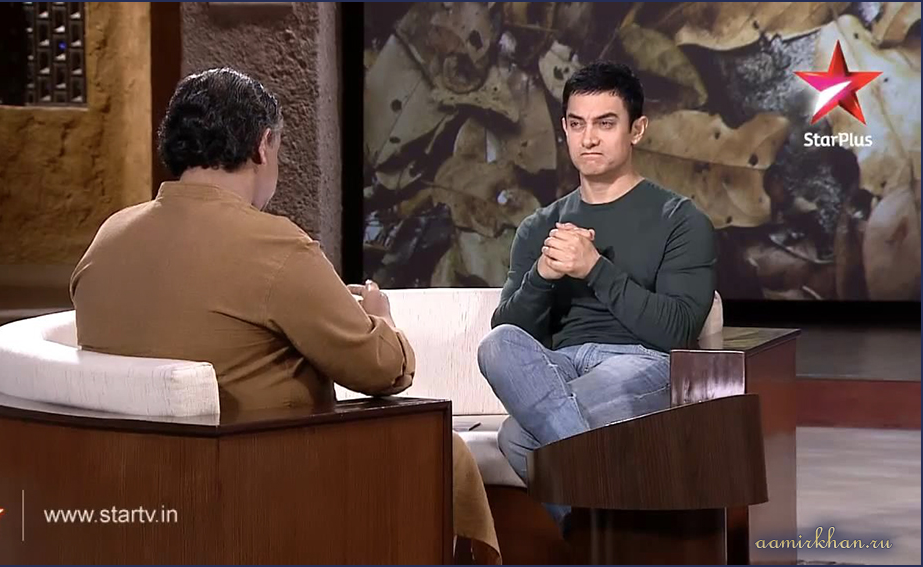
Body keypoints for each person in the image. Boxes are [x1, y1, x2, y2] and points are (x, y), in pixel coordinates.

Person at [71, 68, 499, 563]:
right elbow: (382, 370)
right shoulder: (274, 246)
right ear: (262, 146)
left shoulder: (109, 237)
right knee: (443, 449)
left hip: (128, 486)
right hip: (260, 485)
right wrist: (381, 321)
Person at [477, 62, 717, 519]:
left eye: (605, 124)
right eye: (577, 124)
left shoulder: (681, 220)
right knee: (497, 343)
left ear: (636, 130)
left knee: (519, 437)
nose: (588, 139)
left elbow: (678, 332)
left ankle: (589, 534)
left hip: (642, 363)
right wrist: (542, 276)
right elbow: (512, 334)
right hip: (562, 367)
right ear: (565, 129)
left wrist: (594, 269)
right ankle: (605, 529)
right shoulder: (539, 227)